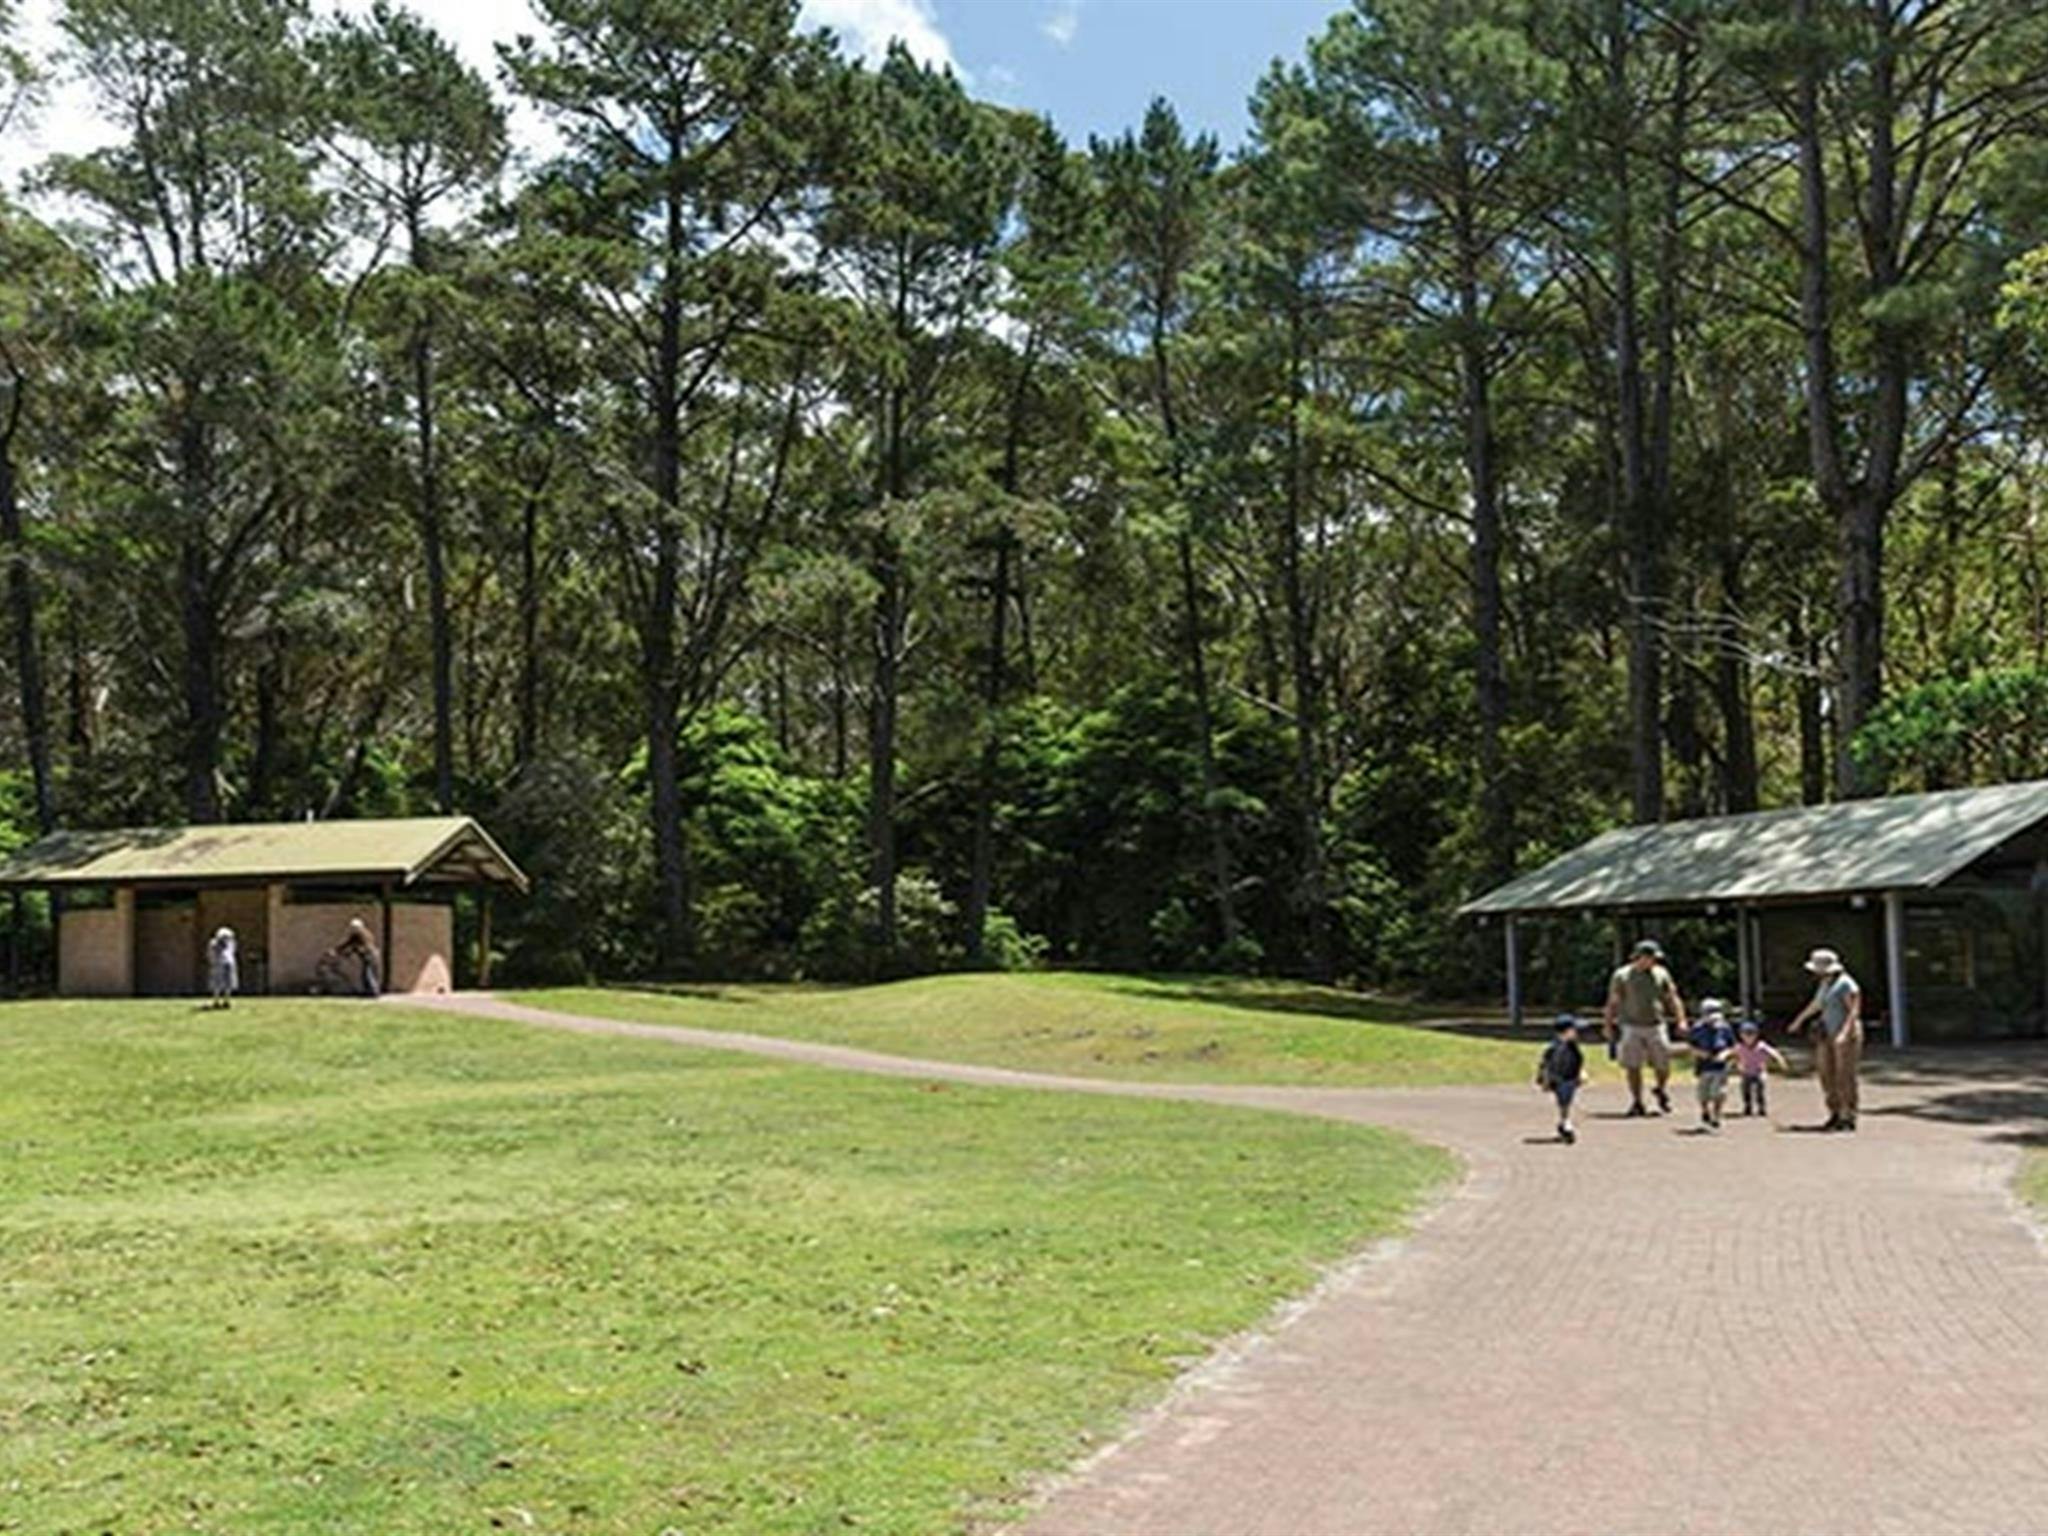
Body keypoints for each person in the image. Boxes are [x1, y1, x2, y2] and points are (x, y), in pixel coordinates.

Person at [1603, 938, 1686, 1118]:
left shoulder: (1661, 974)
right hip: (1631, 1025)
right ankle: (1637, 1101)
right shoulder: (1622, 976)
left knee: (1663, 1062)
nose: (1653, 962)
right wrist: (1608, 1024)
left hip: (1656, 1023)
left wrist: (1681, 1020)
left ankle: (1660, 1088)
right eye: (1651, 958)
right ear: (1640, 957)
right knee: (1633, 1066)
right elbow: (1613, 1001)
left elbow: (1672, 997)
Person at [1788, 947, 1862, 1132]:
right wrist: (1799, 1020)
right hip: (1826, 1034)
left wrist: (1845, 1033)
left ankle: (1848, 1114)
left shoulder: (1846, 984)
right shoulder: (1825, 984)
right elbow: (1817, 1004)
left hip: (1844, 1034)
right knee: (1826, 1073)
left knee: (1844, 1075)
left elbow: (1853, 1010)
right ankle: (1834, 1112)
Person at [1686, 997, 1738, 1132]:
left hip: (1720, 1067)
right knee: (1703, 1093)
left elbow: (1733, 1046)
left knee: (1719, 1092)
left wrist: (1725, 1054)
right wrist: (1699, 1053)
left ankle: (1717, 1116)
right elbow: (1691, 1046)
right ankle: (1705, 1110)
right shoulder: (1697, 1029)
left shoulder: (1725, 1028)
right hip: (1703, 1067)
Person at [1536, 1013, 1587, 1145]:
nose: (1577, 1033)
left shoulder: (1573, 1046)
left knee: (1566, 1101)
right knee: (1564, 1101)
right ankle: (1566, 1123)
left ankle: (1564, 1122)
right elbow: (1545, 1064)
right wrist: (1544, 1079)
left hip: (1570, 1078)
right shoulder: (1553, 1048)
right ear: (1565, 1031)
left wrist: (1581, 1073)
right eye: (1574, 1030)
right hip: (1558, 1079)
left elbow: (1579, 1060)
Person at [1733, 1018, 1787, 1117]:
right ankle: (1747, 1106)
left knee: (1759, 1090)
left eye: (1751, 1034)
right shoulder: (1740, 1047)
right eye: (1745, 1034)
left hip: (1759, 1071)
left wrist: (1780, 1060)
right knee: (1746, 1090)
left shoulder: (1761, 1046)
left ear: (1756, 1035)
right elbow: (1732, 1054)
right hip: (1746, 1072)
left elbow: (1773, 1052)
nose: (1748, 1037)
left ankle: (1761, 1107)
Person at [335, 917, 382, 997]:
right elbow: (356, 946)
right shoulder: (367, 933)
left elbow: (349, 943)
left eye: (352, 927)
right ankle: (371, 991)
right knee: (370, 973)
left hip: (368, 955)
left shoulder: (358, 933)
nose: (351, 929)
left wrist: (337, 950)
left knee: (368, 974)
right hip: (374, 954)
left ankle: (373, 992)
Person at [206, 925, 238, 1010]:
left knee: (228, 983)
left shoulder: (231, 943)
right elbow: (211, 953)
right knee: (217, 983)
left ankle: (226, 1001)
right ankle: (217, 1001)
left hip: (228, 963)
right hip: (218, 964)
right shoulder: (214, 943)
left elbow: (232, 952)